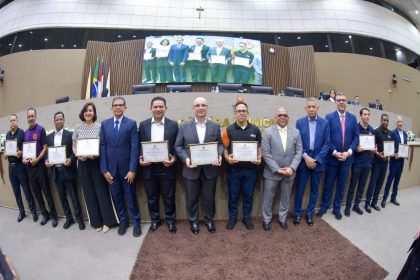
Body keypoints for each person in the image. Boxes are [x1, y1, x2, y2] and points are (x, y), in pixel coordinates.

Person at [174, 97, 224, 234]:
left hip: (210, 169)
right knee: (191, 198)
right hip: (191, 169)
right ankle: (193, 221)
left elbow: (220, 144)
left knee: (209, 197)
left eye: (203, 105)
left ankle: (209, 220)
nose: (200, 108)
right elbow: (178, 146)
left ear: (207, 108)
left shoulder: (215, 126)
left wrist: (219, 155)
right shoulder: (184, 126)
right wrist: (186, 159)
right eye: (197, 105)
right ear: (193, 108)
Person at [72, 102, 118, 233]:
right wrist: (78, 155)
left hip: (96, 162)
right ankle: (96, 221)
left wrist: (95, 153)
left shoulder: (99, 127)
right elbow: (74, 146)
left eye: (90, 111)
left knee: (101, 192)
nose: (88, 113)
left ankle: (107, 221)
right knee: (88, 193)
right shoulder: (77, 127)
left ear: (94, 113)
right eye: (86, 110)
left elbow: (103, 144)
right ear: (83, 113)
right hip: (82, 163)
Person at [100, 97, 141, 237]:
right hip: (111, 170)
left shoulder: (131, 124)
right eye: (115, 105)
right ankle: (123, 222)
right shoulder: (104, 124)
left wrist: (132, 169)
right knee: (117, 197)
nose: (118, 107)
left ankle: (136, 223)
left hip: (127, 170)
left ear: (125, 108)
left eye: (121, 105)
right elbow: (102, 147)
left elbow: (135, 148)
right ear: (112, 108)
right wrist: (104, 169)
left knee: (131, 197)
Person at [138, 97, 178, 234]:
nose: (158, 109)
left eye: (161, 107)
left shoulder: (173, 125)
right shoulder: (143, 125)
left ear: (165, 108)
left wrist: (174, 158)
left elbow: (176, 146)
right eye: (155, 107)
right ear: (151, 109)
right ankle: (155, 220)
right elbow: (139, 145)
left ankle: (170, 220)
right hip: (149, 167)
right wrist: (140, 158)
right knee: (152, 196)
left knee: (169, 196)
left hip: (167, 167)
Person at [317, 93, 359, 220]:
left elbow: (356, 137)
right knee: (328, 185)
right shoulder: (329, 117)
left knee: (341, 185)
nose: (341, 102)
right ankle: (324, 207)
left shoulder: (353, 118)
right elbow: (326, 138)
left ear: (346, 102)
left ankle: (336, 209)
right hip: (332, 158)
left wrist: (349, 152)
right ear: (335, 102)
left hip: (347, 159)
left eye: (343, 100)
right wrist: (335, 152)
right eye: (339, 100)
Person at [222, 101, 262, 230]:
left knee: (248, 196)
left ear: (247, 113)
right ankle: (232, 218)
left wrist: (259, 157)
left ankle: (246, 218)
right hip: (234, 170)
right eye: (239, 111)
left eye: (244, 111)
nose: (241, 113)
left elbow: (259, 147)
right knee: (233, 196)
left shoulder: (255, 130)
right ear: (235, 113)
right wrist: (227, 158)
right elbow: (225, 148)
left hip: (251, 171)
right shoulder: (228, 130)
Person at [261, 107, 302, 231]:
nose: (282, 117)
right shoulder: (268, 132)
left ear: (288, 118)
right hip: (272, 172)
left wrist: (292, 168)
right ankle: (266, 220)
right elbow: (266, 153)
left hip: (289, 173)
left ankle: (282, 219)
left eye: (285, 115)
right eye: (280, 115)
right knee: (268, 198)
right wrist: (277, 169)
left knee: (286, 197)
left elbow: (299, 152)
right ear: (275, 118)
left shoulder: (296, 132)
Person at [45, 112, 85, 230]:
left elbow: (74, 151)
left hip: (67, 170)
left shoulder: (70, 134)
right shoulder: (49, 137)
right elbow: (48, 153)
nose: (58, 121)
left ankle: (79, 219)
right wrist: (47, 161)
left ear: (64, 120)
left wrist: (71, 159)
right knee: (62, 197)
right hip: (56, 172)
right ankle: (69, 218)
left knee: (73, 196)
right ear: (54, 121)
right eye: (56, 119)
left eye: (60, 119)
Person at [294, 98, 330, 226]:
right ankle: (297, 214)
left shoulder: (325, 123)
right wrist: (305, 157)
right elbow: (297, 143)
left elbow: (327, 144)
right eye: (309, 107)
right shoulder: (299, 122)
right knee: (300, 189)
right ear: (305, 108)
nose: (311, 109)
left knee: (314, 190)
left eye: (313, 106)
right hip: (304, 162)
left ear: (317, 108)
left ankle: (310, 214)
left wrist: (317, 159)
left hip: (318, 163)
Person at [23, 108, 58, 227]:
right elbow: (25, 150)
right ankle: (45, 214)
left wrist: (37, 159)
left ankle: (53, 215)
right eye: (29, 116)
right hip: (30, 168)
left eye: (32, 116)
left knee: (46, 192)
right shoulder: (25, 133)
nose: (31, 118)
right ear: (27, 118)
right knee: (37, 193)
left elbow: (45, 147)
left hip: (40, 167)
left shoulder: (41, 130)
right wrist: (25, 159)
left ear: (35, 116)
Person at [5, 114, 37, 223]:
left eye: (14, 120)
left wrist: (21, 152)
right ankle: (21, 212)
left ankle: (33, 212)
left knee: (27, 190)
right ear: (9, 123)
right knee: (16, 192)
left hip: (20, 167)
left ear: (17, 121)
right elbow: (8, 148)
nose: (12, 122)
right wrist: (6, 153)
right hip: (11, 168)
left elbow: (27, 148)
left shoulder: (22, 133)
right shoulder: (7, 135)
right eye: (11, 120)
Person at [344, 108, 374, 216]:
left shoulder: (371, 129)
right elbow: (352, 143)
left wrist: (373, 148)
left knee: (362, 186)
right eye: (365, 114)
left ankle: (356, 206)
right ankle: (348, 207)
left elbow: (372, 145)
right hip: (357, 162)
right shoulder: (356, 128)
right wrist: (356, 149)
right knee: (352, 185)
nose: (367, 116)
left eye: (368, 114)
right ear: (361, 116)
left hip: (367, 162)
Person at [364, 113, 393, 213]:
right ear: (381, 121)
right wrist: (377, 154)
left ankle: (374, 202)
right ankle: (367, 203)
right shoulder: (376, 132)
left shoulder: (390, 133)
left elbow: (391, 147)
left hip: (385, 163)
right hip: (376, 162)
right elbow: (371, 147)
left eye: (387, 120)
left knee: (380, 184)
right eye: (384, 120)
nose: (386, 122)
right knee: (372, 183)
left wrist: (390, 153)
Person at [382, 115, 407, 207]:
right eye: (398, 122)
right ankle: (384, 199)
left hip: (401, 162)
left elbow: (405, 146)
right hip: (394, 161)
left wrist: (407, 154)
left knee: (397, 181)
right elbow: (389, 147)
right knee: (390, 180)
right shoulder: (392, 133)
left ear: (402, 123)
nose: (400, 123)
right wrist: (393, 154)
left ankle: (393, 198)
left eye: (401, 122)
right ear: (396, 123)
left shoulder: (405, 134)